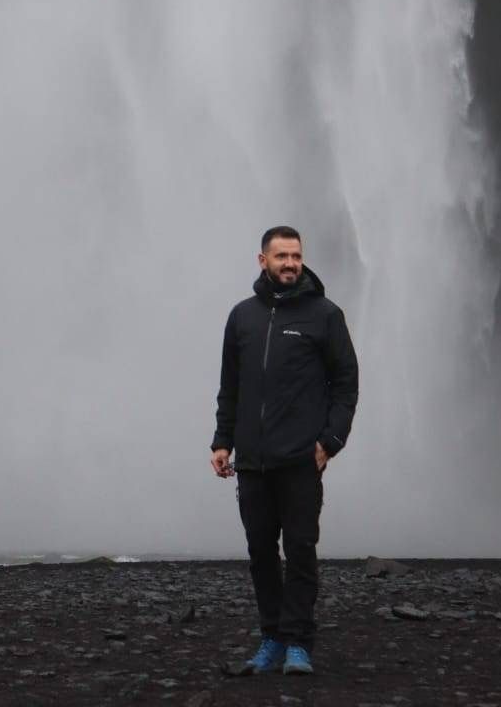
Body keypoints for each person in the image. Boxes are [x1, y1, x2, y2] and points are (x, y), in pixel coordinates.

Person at [210, 226, 359, 676]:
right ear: (263, 261)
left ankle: (299, 643)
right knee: (260, 554)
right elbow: (230, 387)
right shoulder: (242, 318)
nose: (291, 263)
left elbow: (346, 383)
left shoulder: (325, 315)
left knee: (300, 551)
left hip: (299, 460)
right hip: (252, 463)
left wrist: (331, 441)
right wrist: (222, 440)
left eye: (296, 255)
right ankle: (271, 637)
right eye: (281, 256)